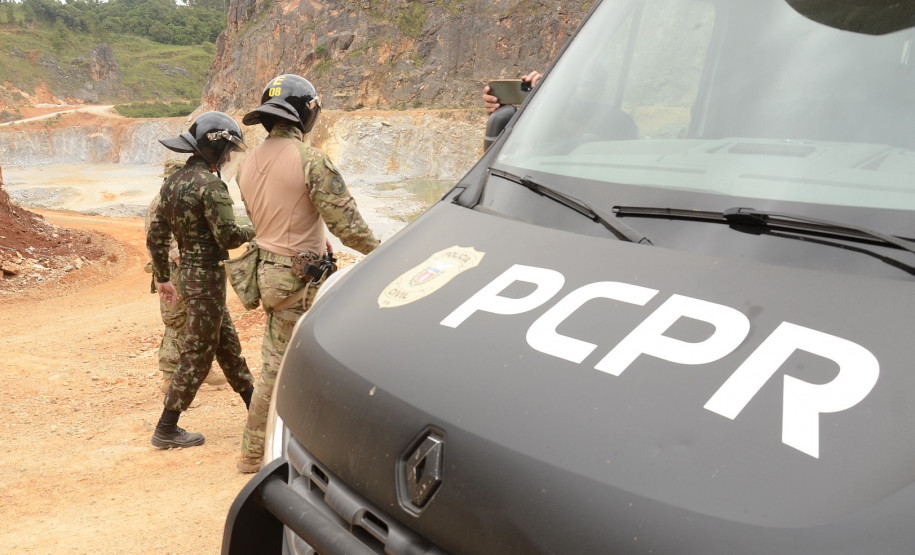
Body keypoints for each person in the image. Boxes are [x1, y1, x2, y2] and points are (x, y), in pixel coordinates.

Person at [235, 74, 381, 473]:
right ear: (306, 114)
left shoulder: (247, 164)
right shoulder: (310, 159)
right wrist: (385, 255)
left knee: (277, 360)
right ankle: (260, 453)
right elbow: (348, 224)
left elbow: (274, 219)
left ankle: (262, 447)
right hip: (299, 278)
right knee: (293, 363)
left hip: (269, 272)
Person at [147, 111, 257, 449]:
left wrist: (164, 277)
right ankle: (166, 428)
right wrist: (260, 228)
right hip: (207, 277)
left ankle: (259, 414)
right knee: (197, 353)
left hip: (188, 277)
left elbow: (155, 235)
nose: (228, 157)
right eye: (227, 151)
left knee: (228, 348)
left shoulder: (174, 182)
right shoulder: (210, 185)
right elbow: (228, 236)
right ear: (215, 147)